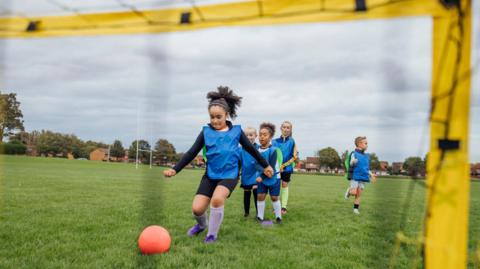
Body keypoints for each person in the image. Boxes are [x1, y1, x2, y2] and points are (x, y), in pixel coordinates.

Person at [163, 86, 273, 243]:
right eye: (212, 117)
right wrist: (175, 169)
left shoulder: (236, 131)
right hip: (210, 175)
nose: (214, 120)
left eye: (218, 117)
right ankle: (202, 226)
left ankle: (211, 235)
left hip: (230, 174)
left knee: (217, 199)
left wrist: (266, 165)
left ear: (226, 115)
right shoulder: (206, 132)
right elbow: (191, 152)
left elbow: (250, 149)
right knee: (197, 209)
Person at [256, 122, 282, 224]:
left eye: (265, 135)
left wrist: (262, 176)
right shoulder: (256, 150)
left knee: (274, 197)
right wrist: (262, 174)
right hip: (262, 177)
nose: (262, 137)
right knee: (260, 196)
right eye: (260, 134)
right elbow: (256, 165)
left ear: (270, 136)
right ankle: (260, 217)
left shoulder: (273, 150)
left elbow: (271, 167)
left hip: (274, 177)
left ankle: (278, 217)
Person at [344, 136, 377, 214]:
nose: (367, 145)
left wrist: (371, 174)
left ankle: (355, 209)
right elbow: (351, 162)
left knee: (359, 194)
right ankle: (349, 191)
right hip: (355, 176)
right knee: (353, 193)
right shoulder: (354, 153)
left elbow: (366, 168)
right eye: (365, 143)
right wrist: (354, 162)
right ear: (359, 144)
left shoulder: (366, 156)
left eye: (367, 143)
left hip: (363, 177)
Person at [272, 121, 298, 214]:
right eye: (284, 127)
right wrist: (277, 166)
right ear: (281, 128)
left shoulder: (292, 141)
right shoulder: (274, 141)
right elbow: (272, 154)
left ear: (290, 130)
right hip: (276, 168)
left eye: (288, 128)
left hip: (287, 167)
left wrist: (284, 165)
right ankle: (276, 206)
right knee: (276, 186)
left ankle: (283, 207)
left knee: (284, 185)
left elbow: (295, 156)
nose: (286, 129)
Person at [240, 127, 260, 217]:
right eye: (246, 135)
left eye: (251, 135)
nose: (249, 137)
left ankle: (258, 212)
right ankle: (246, 213)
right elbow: (238, 162)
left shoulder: (259, 148)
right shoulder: (241, 149)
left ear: (255, 136)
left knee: (256, 192)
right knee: (246, 193)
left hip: (256, 174)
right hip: (246, 174)